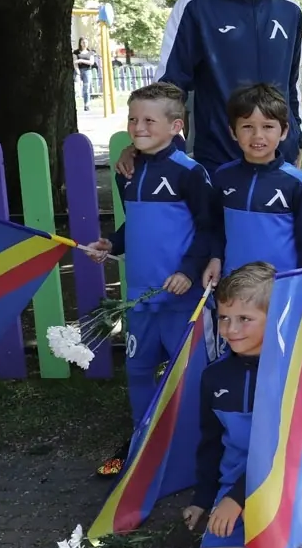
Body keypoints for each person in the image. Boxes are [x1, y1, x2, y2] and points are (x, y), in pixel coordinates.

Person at [85, 83, 214, 476]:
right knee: (138, 370)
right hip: (139, 297)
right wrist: (112, 243)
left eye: (148, 120)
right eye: (132, 119)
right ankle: (142, 442)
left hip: (181, 297)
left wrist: (188, 271)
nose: (138, 127)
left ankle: (195, 446)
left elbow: (209, 230)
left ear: (176, 126)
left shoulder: (190, 173)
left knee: (188, 376)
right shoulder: (127, 171)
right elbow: (136, 224)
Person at [150, 0, 302, 175]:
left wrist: (297, 140)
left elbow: (293, 85)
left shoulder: (289, 10)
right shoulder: (196, 5)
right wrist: (155, 145)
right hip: (218, 162)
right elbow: (170, 86)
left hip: (281, 161)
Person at [184, 262, 302, 548]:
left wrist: (236, 500)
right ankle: (253, 541)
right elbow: (211, 443)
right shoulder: (214, 377)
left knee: (283, 493)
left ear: (273, 317)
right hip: (235, 486)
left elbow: (284, 450)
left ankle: (290, 538)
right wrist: (203, 498)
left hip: (283, 484)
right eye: (224, 317)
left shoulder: (291, 372)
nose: (231, 329)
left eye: (244, 318)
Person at [206, 84, 302, 283]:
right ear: (233, 131)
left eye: (267, 126)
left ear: (283, 131)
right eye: (247, 126)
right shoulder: (223, 177)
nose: (257, 135)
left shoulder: (297, 184)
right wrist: (215, 258)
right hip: (233, 287)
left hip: (282, 288)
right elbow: (216, 228)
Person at [73, 37, 98, 111]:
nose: (85, 44)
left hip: (87, 71)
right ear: (80, 43)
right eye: (83, 42)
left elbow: (91, 62)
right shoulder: (76, 52)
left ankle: (86, 105)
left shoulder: (90, 52)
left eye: (86, 42)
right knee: (76, 88)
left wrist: (81, 60)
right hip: (78, 70)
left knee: (86, 89)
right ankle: (74, 105)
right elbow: (75, 62)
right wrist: (78, 71)